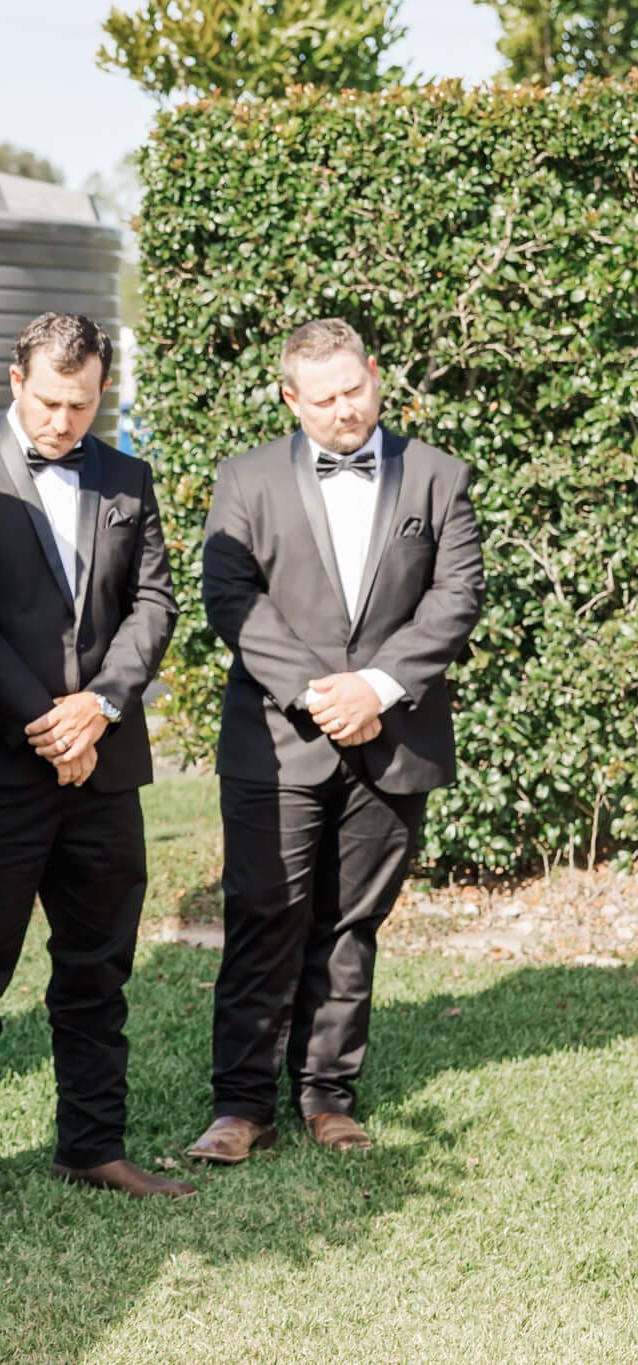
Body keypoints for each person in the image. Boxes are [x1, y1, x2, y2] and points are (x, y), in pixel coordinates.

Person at [0, 314, 193, 1228]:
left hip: (106, 767)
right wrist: (44, 719)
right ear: (15, 379)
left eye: (83, 402)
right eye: (50, 400)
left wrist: (100, 706)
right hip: (0, 767)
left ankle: (94, 1143)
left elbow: (155, 602)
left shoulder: (126, 477)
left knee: (100, 966)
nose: (67, 420)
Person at [188, 318, 485, 1164]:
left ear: (375, 375)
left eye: (355, 389)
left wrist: (378, 688)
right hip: (277, 738)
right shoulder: (244, 481)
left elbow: (456, 596)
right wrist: (327, 698)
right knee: (262, 916)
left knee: (352, 922)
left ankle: (327, 1094)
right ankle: (241, 1103)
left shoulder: (438, 477)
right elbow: (231, 597)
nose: (345, 409)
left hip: (394, 737)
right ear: (291, 399)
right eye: (323, 399)